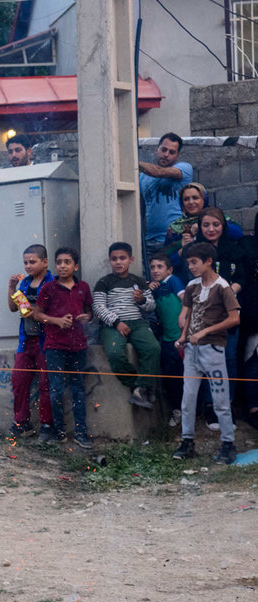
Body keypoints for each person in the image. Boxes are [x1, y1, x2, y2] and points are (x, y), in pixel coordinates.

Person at [174, 242, 240, 464]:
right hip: (192, 349)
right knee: (188, 398)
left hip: (213, 348)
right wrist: (183, 336)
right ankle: (187, 441)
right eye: (189, 262)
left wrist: (205, 332)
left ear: (208, 261)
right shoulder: (192, 286)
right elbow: (188, 314)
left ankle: (228, 443)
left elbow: (234, 318)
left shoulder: (223, 287)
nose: (191, 266)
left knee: (220, 400)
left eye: (194, 262)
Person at [32, 247, 93, 449]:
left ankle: (81, 432)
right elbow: (37, 314)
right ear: (55, 265)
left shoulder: (83, 287)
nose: (63, 266)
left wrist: (87, 317)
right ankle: (59, 430)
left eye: (67, 262)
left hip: (78, 345)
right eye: (59, 262)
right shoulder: (49, 289)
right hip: (55, 346)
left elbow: (89, 312)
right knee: (56, 390)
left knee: (78, 389)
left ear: (76, 266)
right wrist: (57, 321)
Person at [92, 242, 160, 409]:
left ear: (131, 259)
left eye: (122, 258)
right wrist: (117, 322)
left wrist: (142, 300)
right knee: (114, 352)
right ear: (110, 261)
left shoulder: (139, 281)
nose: (118, 262)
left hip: (138, 323)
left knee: (153, 348)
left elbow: (151, 306)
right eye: (114, 259)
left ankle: (141, 388)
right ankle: (138, 386)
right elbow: (98, 307)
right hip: (113, 325)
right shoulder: (104, 282)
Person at [7, 244, 54, 440]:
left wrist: (31, 311)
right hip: (26, 341)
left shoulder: (52, 282)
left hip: (46, 341)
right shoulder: (24, 284)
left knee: (46, 383)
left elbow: (41, 312)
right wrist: (11, 287)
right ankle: (22, 422)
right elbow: (13, 308)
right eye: (25, 262)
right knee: (18, 380)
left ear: (45, 262)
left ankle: (47, 425)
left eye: (32, 262)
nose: (28, 266)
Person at [139, 132, 192, 261]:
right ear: (156, 149)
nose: (166, 155)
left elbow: (158, 172)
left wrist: (132, 160)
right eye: (163, 150)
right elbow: (141, 209)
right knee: (152, 280)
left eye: (172, 152)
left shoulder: (184, 168)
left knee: (173, 278)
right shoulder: (142, 177)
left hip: (174, 238)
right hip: (150, 240)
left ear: (177, 155)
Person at [147, 252, 185, 428]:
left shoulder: (173, 281)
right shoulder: (156, 288)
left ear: (169, 269)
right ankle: (178, 410)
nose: (155, 270)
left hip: (182, 337)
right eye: (153, 267)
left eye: (160, 267)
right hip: (168, 339)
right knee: (172, 377)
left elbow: (186, 300)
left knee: (185, 376)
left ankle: (190, 411)